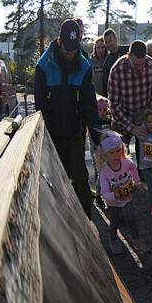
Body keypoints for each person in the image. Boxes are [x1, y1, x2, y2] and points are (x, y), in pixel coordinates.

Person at [34, 19, 103, 218]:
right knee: (57, 180)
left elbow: (89, 104)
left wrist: (98, 138)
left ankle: (86, 223)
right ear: (59, 42)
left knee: (81, 178)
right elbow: (40, 107)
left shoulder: (83, 65)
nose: (72, 53)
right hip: (52, 134)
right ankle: (60, 221)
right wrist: (45, 138)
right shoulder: (44, 67)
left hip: (74, 132)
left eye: (75, 49)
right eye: (68, 49)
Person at [107, 40, 152, 163]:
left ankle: (144, 178)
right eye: (136, 64)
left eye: (142, 64)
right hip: (122, 118)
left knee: (147, 160)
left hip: (144, 117)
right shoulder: (117, 69)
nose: (140, 68)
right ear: (129, 56)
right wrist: (131, 128)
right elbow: (114, 105)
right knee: (119, 160)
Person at [98, 133, 147, 254]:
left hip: (127, 198)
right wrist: (113, 195)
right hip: (113, 202)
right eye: (111, 152)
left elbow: (133, 167)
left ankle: (136, 239)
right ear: (104, 155)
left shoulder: (125, 162)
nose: (115, 155)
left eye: (117, 151)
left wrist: (137, 182)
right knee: (114, 222)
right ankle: (113, 241)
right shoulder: (104, 172)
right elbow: (104, 193)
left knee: (131, 219)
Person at [100, 28, 128, 97]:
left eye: (110, 40)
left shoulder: (127, 51)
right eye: (106, 42)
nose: (109, 44)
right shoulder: (106, 63)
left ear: (115, 39)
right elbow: (106, 86)